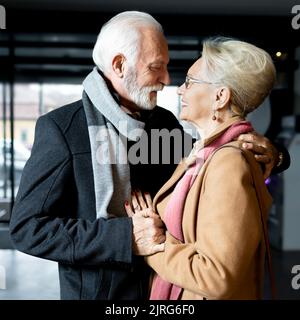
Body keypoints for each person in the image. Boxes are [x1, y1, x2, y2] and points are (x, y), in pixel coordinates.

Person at [10, 12, 288, 300]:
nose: (167, 80)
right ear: (119, 65)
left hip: (166, 288)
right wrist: (125, 237)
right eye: (156, 67)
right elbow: (27, 228)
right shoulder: (64, 130)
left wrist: (275, 155)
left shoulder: (162, 123)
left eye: (167, 67)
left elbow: (211, 160)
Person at [126, 37, 280, 300]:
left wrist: (153, 245)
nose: (179, 90)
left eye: (189, 82)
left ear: (220, 96)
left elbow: (216, 276)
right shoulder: (202, 153)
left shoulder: (228, 163)